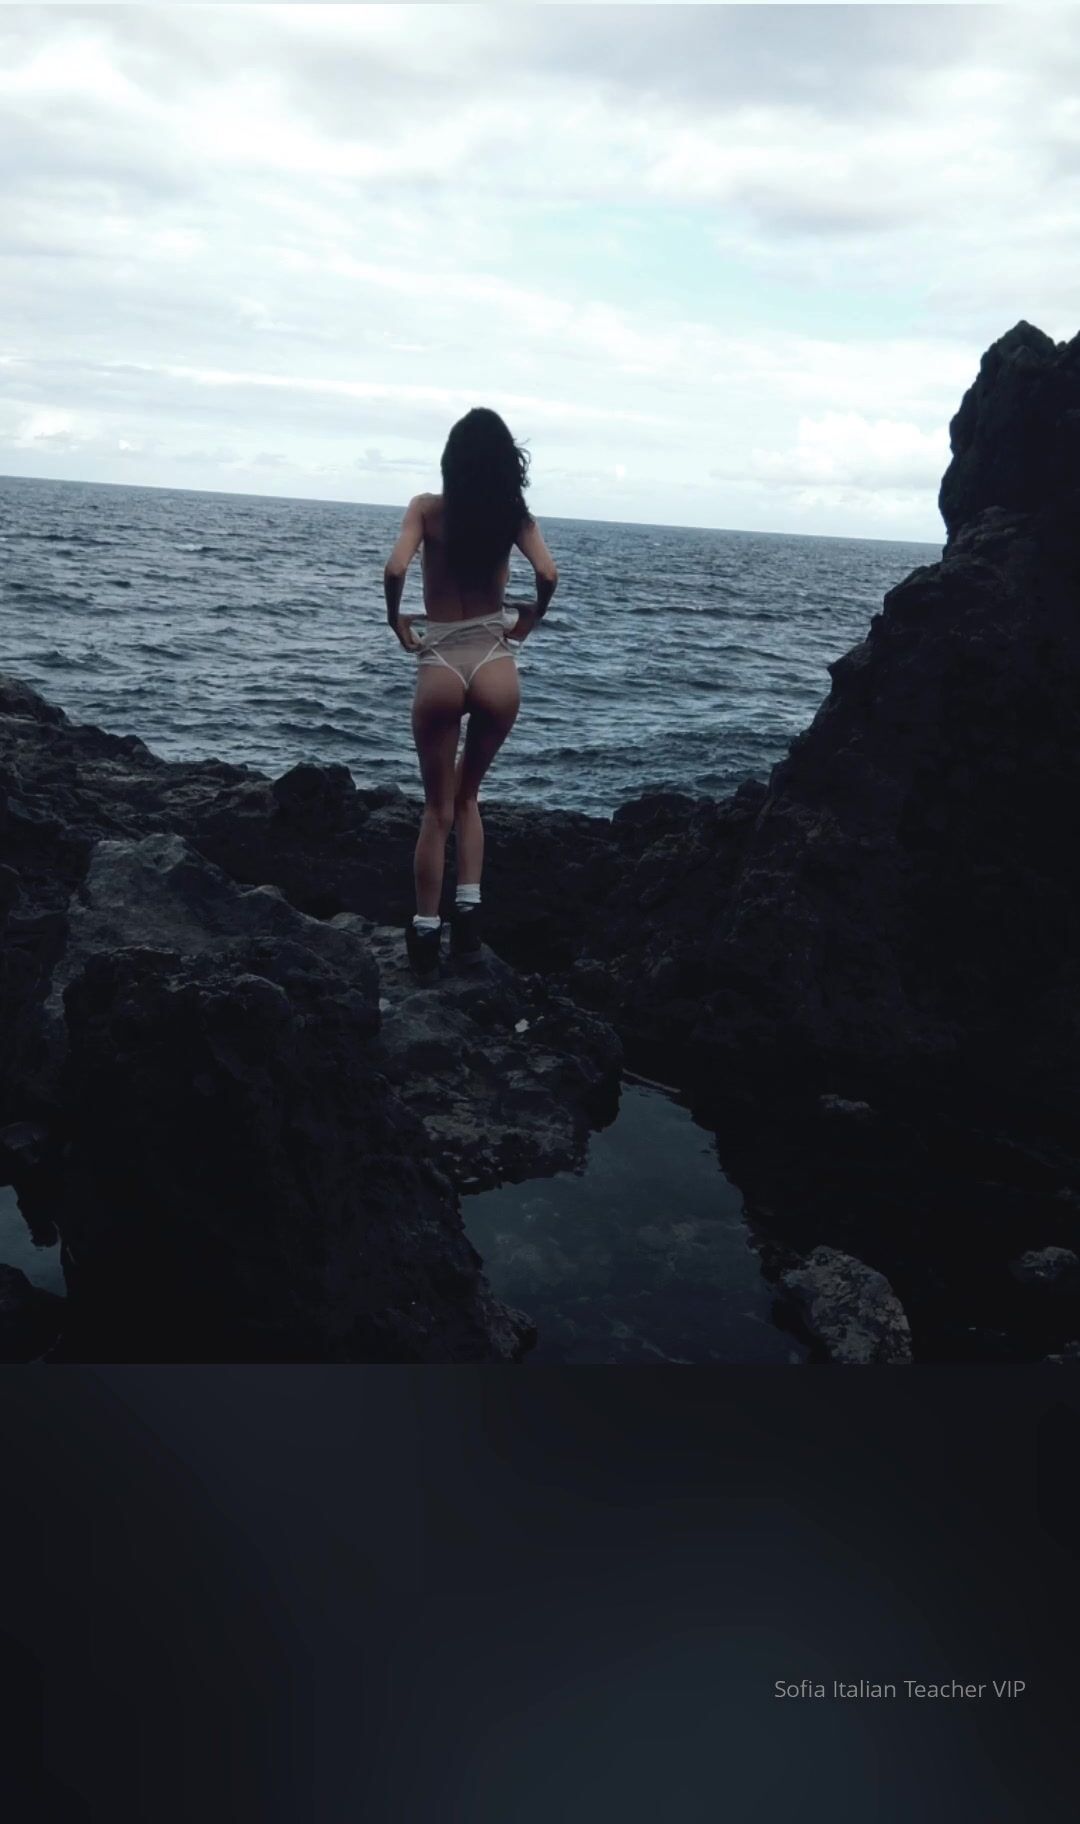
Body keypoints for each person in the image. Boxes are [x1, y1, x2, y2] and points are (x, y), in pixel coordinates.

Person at [382, 407, 559, 977]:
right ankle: (468, 926)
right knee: (468, 798)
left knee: (436, 809)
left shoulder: (425, 509)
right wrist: (530, 620)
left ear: (450, 460)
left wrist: (395, 619)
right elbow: (548, 575)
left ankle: (424, 934)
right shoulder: (513, 517)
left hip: (441, 664)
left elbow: (395, 569)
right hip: (494, 665)